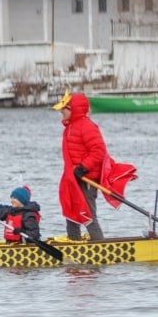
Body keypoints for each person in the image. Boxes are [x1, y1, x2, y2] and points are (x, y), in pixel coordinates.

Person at [54, 91, 106, 241]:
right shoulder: (69, 128)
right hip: (73, 179)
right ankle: (73, 243)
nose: (61, 112)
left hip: (86, 178)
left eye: (64, 109)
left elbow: (99, 151)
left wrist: (83, 167)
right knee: (71, 213)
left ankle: (100, 245)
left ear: (72, 109)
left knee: (88, 215)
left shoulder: (87, 126)